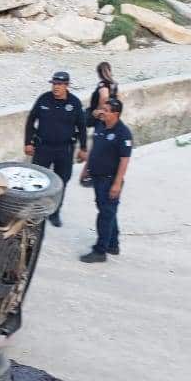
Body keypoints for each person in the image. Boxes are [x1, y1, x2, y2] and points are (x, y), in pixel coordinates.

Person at [23, 71, 87, 227]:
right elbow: (31, 120)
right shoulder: (44, 99)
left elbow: (82, 127)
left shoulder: (75, 103)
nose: (56, 87)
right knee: (37, 180)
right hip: (43, 148)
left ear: (66, 85)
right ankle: (35, 212)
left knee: (61, 182)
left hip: (64, 150)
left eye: (59, 84)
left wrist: (83, 148)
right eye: (54, 84)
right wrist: (28, 142)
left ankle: (55, 213)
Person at [78, 98, 132, 263]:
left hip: (110, 180)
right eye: (103, 109)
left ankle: (100, 251)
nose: (102, 112)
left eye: (106, 110)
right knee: (108, 211)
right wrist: (85, 169)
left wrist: (117, 183)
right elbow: (95, 150)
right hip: (97, 177)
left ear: (115, 114)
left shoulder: (123, 133)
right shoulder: (101, 125)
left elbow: (124, 160)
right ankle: (113, 244)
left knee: (105, 215)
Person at [81, 62, 119, 186]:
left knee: (96, 147)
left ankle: (89, 175)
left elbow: (104, 97)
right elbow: (118, 101)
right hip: (112, 119)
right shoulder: (115, 84)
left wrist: (99, 112)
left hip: (101, 120)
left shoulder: (103, 84)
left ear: (99, 73)